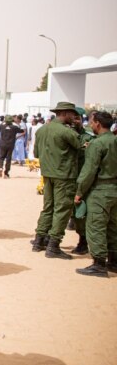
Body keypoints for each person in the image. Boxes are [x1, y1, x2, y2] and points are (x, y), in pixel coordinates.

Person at [32, 102, 81, 259]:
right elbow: (81, 147)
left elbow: (36, 153)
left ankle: (39, 239)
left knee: (48, 207)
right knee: (62, 209)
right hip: (64, 175)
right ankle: (53, 245)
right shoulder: (67, 132)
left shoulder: (41, 130)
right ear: (65, 113)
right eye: (72, 114)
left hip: (47, 174)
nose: (74, 117)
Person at [74, 111, 117, 277]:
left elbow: (89, 170)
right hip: (114, 190)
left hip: (100, 191)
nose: (90, 125)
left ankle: (99, 264)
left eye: (92, 122)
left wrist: (79, 192)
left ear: (98, 123)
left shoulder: (97, 144)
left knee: (96, 226)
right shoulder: (114, 141)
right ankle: (113, 261)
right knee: (113, 227)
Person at [69, 107, 96, 254]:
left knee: (81, 212)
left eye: (77, 118)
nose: (74, 121)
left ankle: (83, 241)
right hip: (67, 179)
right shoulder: (65, 135)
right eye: (72, 118)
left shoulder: (89, 138)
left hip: (82, 180)